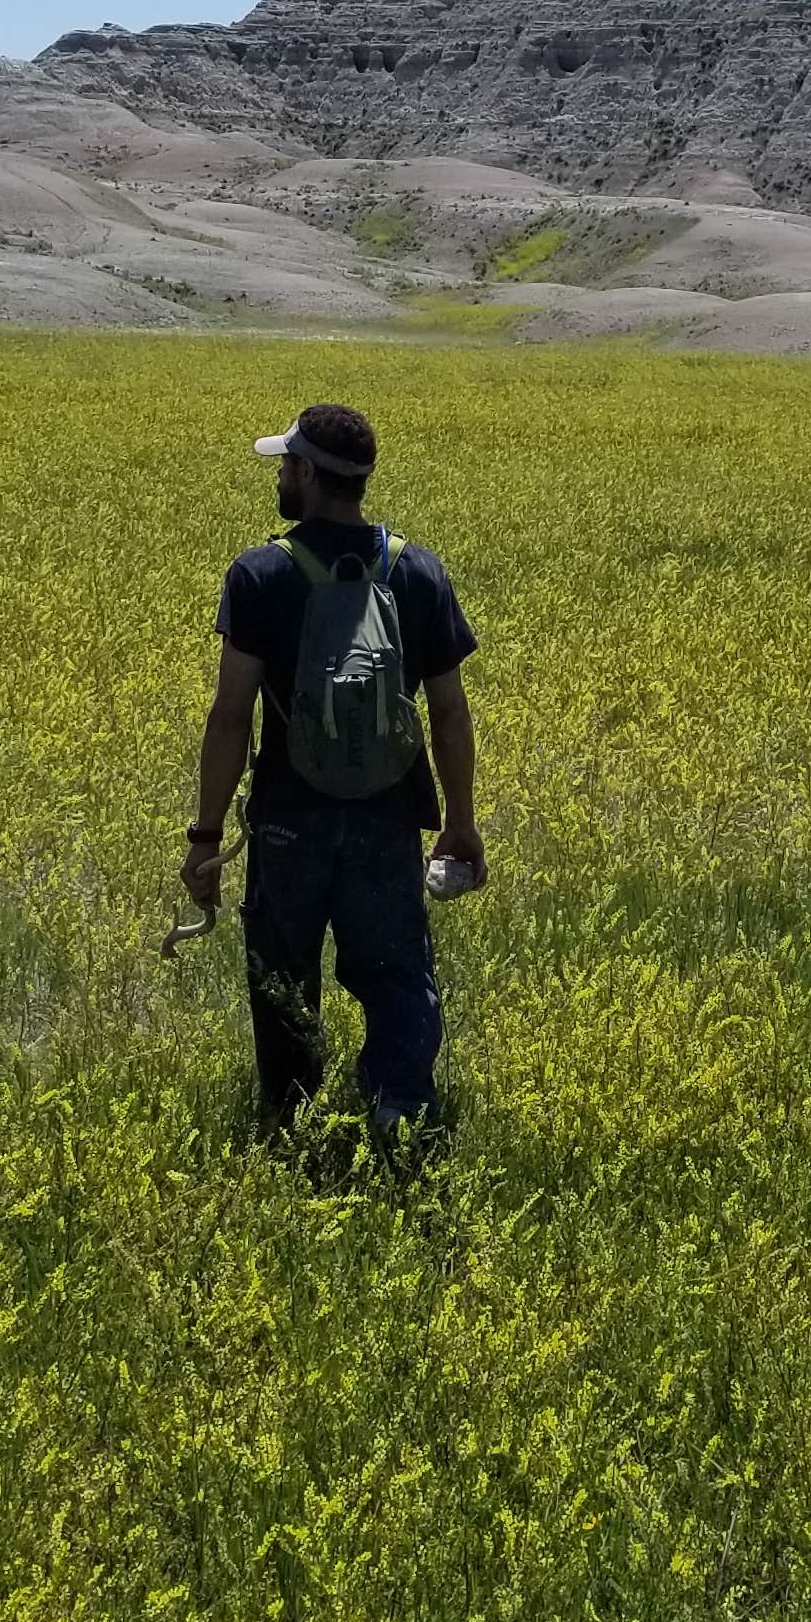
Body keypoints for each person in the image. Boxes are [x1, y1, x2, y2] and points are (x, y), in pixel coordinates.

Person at [185, 401, 484, 1136]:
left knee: (284, 981)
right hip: (387, 816)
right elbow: (448, 712)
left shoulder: (260, 574)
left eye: (287, 464)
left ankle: (290, 1121)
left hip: (289, 821)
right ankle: (400, 1115)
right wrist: (461, 822)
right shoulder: (416, 571)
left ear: (311, 474)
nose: (281, 475)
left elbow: (231, 717)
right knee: (396, 979)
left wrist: (205, 835)